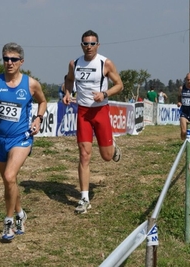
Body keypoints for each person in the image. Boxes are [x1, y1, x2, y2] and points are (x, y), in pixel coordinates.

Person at [0, 42, 47, 242]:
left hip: (21, 139)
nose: (9, 63)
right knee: (9, 182)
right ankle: (20, 214)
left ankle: (8, 223)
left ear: (21, 62)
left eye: (14, 59)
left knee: (9, 176)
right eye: (6, 59)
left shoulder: (31, 84)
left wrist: (38, 118)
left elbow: (42, 101)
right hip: (0, 140)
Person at [63, 30, 123, 214]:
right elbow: (69, 79)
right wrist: (67, 93)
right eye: (86, 44)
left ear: (98, 45)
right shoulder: (75, 63)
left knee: (106, 156)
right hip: (83, 113)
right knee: (84, 155)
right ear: (81, 45)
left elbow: (119, 85)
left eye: (92, 43)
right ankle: (84, 198)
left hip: (101, 111)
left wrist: (104, 94)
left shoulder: (106, 63)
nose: (89, 47)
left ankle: (113, 148)